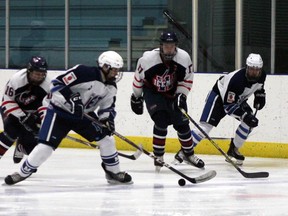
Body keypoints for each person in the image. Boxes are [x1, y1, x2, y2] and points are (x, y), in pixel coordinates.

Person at [4, 51, 133, 185]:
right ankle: (21, 173)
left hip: (84, 116)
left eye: (118, 70)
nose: (116, 73)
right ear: (105, 67)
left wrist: (107, 120)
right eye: (114, 70)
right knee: (45, 147)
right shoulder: (83, 72)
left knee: (107, 140)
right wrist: (72, 99)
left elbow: (107, 107)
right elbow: (57, 83)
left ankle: (113, 173)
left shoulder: (111, 87)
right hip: (60, 112)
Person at [130, 31, 205, 172]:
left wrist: (182, 95)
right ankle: (159, 157)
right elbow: (138, 78)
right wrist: (136, 96)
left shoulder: (183, 58)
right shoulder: (147, 59)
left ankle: (189, 155)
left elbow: (187, 78)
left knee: (182, 124)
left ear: (176, 46)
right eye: (166, 46)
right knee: (161, 120)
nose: (169, 49)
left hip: (173, 92)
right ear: (161, 46)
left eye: (171, 46)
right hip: (153, 93)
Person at [183, 53, 266, 165]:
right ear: (247, 67)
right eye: (252, 69)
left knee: (249, 122)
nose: (254, 72)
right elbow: (228, 106)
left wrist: (260, 96)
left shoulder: (262, 76)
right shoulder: (236, 80)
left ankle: (233, 150)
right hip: (218, 97)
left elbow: (259, 87)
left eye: (257, 70)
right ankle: (184, 152)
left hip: (236, 99)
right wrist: (244, 115)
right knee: (205, 126)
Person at [0, 56, 50, 164]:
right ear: (29, 71)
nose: (39, 77)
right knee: (11, 131)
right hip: (12, 108)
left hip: (33, 113)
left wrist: (43, 121)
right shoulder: (17, 79)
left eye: (42, 74)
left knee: (31, 147)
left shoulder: (48, 85)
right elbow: (7, 101)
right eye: (36, 74)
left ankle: (21, 146)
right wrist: (22, 116)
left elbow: (47, 106)